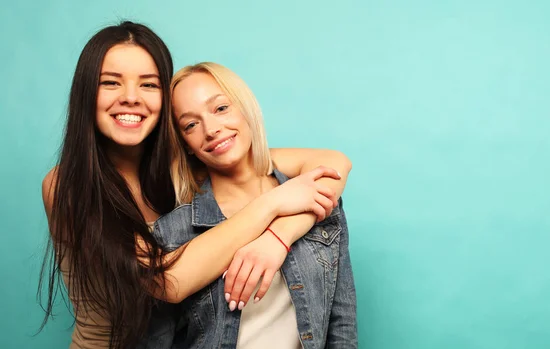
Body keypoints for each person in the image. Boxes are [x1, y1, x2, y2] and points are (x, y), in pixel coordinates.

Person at [39, 21, 352, 349]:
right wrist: (272, 204)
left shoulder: (184, 168)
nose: (131, 98)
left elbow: (332, 163)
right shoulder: (67, 185)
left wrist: (279, 237)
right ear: (86, 91)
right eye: (110, 82)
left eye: (148, 85)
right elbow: (168, 282)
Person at [144, 61, 357, 348]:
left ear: (245, 108)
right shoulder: (172, 232)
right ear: (185, 144)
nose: (211, 129)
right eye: (191, 124)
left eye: (221, 108)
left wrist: (276, 239)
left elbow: (341, 325)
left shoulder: (312, 196)